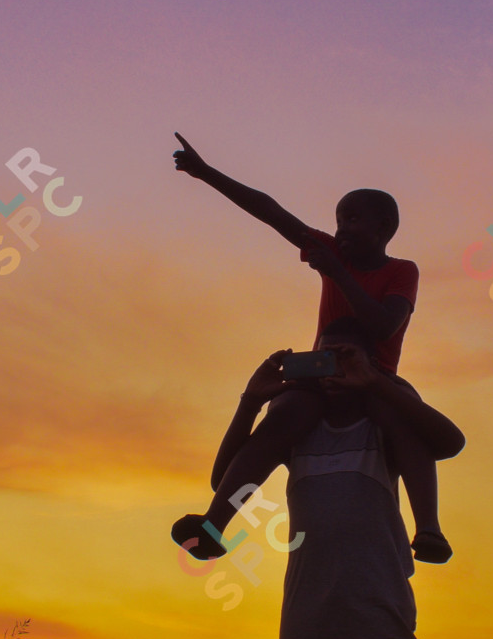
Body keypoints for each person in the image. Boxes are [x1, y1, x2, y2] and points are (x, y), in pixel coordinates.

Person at [205, 322, 465, 639]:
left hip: (375, 611)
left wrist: (375, 382)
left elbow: (449, 440)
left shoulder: (384, 429)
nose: (331, 370)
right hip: (308, 616)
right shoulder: (295, 431)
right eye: (321, 359)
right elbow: (224, 478)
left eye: (343, 358)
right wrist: (250, 402)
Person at [169, 133, 454, 563]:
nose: (341, 229)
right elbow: (272, 213)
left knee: (406, 420)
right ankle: (215, 523)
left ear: (383, 228)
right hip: (320, 373)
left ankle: (429, 528)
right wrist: (206, 173)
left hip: (374, 376)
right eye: (338, 220)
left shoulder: (400, 271)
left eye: (352, 219)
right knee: (284, 415)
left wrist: (337, 272)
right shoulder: (332, 251)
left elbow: (383, 326)